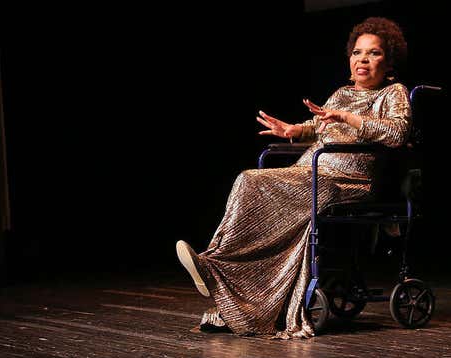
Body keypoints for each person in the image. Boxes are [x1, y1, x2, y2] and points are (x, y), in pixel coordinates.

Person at [176, 16, 411, 339]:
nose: (363, 60)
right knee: (249, 179)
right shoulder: (342, 92)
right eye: (358, 53)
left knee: (267, 185)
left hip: (346, 182)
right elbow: (321, 126)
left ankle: (220, 272)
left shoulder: (393, 92)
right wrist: (294, 130)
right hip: (311, 172)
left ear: (389, 60)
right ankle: (217, 264)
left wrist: (347, 117)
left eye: (374, 53)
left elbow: (397, 133)